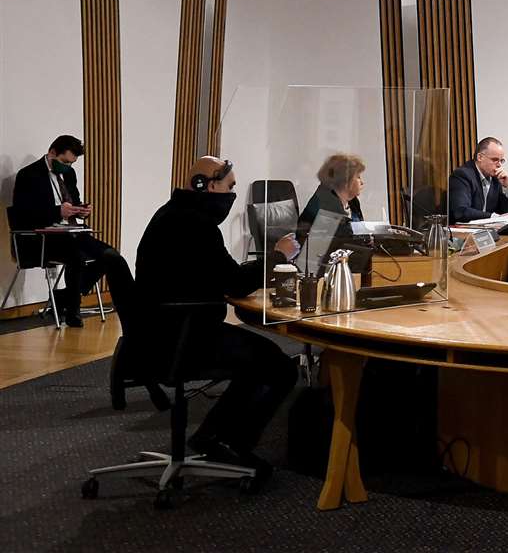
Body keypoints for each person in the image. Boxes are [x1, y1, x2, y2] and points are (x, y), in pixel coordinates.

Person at [135, 156, 300, 478]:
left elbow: (216, 277)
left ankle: (213, 435)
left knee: (259, 357)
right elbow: (235, 282)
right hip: (182, 337)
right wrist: (278, 255)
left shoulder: (173, 215)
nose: (232, 194)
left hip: (161, 333)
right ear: (209, 186)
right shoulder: (195, 225)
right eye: (230, 187)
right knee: (278, 366)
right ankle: (230, 443)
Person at [10, 134, 131, 327]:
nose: (67, 167)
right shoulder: (28, 175)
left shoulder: (69, 174)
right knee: (76, 257)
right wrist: (57, 212)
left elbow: (72, 202)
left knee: (111, 256)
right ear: (52, 153)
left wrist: (82, 211)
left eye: (71, 163)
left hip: (72, 232)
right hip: (43, 238)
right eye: (64, 161)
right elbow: (24, 215)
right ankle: (73, 310)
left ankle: (64, 298)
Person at [448, 137, 508, 223]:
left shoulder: (496, 178)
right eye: (495, 160)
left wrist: (506, 188)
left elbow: (507, 214)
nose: (499, 165)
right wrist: (493, 217)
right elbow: (461, 211)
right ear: (480, 157)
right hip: (464, 233)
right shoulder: (462, 175)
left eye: (501, 161)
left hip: (489, 231)